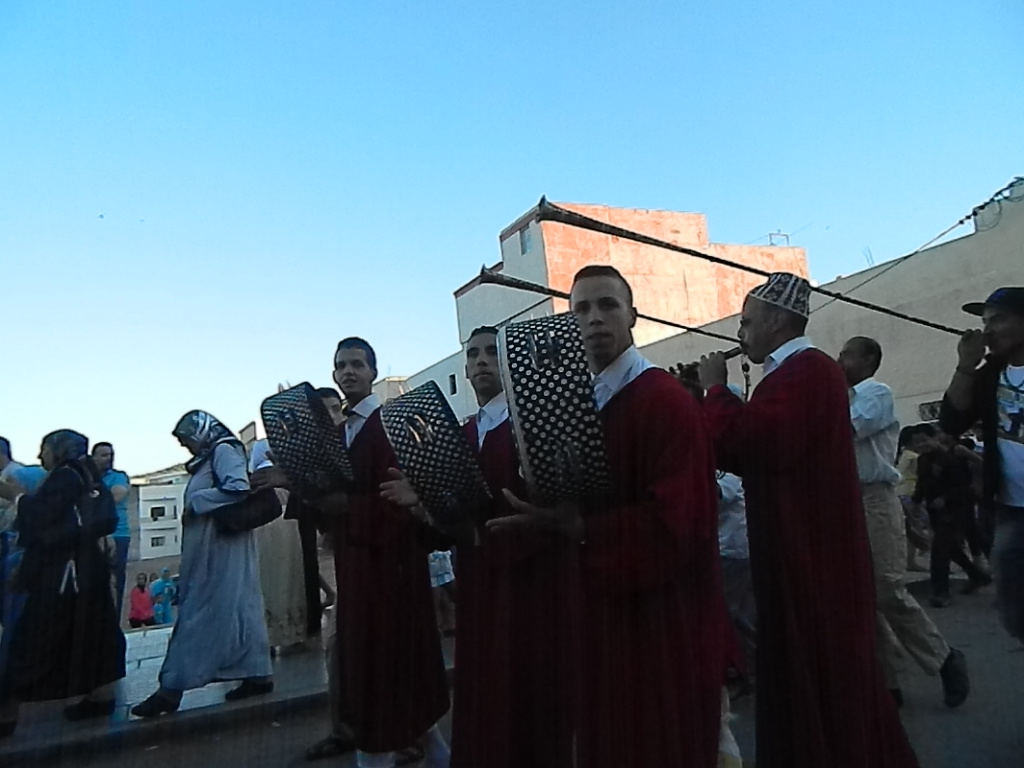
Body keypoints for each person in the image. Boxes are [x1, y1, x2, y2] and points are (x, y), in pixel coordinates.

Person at [487, 267, 725, 768]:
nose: (593, 319)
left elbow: (680, 523)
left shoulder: (665, 401)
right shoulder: (573, 405)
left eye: (607, 305)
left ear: (633, 315)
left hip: (658, 617)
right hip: (594, 607)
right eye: (581, 309)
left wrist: (580, 528)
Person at [698, 272, 919, 768]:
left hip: (812, 550)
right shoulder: (792, 375)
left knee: (820, 670)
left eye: (748, 322)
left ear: (777, 321)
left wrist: (716, 391)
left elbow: (751, 443)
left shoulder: (809, 372)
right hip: (797, 544)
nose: (741, 333)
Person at [384, 325, 578, 768]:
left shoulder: (533, 422)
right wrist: (427, 506)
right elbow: (452, 517)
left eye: (492, 352)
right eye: (473, 354)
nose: (482, 361)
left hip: (532, 586)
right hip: (480, 587)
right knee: (485, 699)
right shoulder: (462, 433)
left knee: (531, 702)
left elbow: (553, 507)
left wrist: (480, 532)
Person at [256, 338, 450, 768]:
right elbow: (328, 498)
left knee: (386, 667)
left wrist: (345, 506)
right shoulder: (341, 432)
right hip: (358, 567)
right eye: (341, 365)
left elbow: (401, 501)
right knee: (374, 667)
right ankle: (434, 752)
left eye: (358, 364)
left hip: (394, 570)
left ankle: (382, 754)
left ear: (373, 373)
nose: (349, 372)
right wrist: (296, 482)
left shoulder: (390, 424)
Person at [839, 336, 969, 708]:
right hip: (846, 499)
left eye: (847, 355)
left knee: (886, 588)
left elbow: (848, 427)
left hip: (874, 498)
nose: (839, 360)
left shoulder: (875, 393)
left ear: (868, 360)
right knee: (860, 596)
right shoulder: (842, 396)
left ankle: (943, 657)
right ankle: (888, 680)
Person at [131, 411, 273, 718]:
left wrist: (196, 504)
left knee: (198, 611)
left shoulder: (224, 450)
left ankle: (171, 688)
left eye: (187, 440)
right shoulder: (212, 456)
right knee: (240, 607)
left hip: (219, 547)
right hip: (218, 546)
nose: (186, 447)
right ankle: (257, 673)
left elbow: (237, 487)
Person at [0, 430, 126, 737]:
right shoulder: (88, 474)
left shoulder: (65, 476)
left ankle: (6, 713)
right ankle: (100, 698)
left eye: (44, 449)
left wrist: (16, 496)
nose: (40, 455)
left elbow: (44, 516)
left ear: (59, 450)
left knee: (32, 639)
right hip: (88, 569)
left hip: (62, 574)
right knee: (93, 635)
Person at [940, 286, 1024, 642]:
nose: (988, 330)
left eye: (998, 320)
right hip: (1011, 506)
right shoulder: (990, 373)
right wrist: (965, 366)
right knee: (1012, 603)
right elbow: (951, 421)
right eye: (985, 322)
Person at [912, 430, 991, 607]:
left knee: (939, 549)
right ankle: (976, 574)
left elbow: (963, 486)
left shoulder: (949, 458)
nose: (921, 446)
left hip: (954, 509)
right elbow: (922, 483)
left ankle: (941, 591)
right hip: (934, 509)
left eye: (924, 441)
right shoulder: (922, 460)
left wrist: (945, 498)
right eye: (917, 443)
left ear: (934, 438)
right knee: (951, 548)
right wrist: (916, 502)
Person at [250, 439, 308, 651]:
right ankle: (293, 634)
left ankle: (270, 636)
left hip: (263, 530)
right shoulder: (284, 473)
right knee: (290, 578)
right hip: (289, 528)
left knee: (267, 581)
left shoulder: (257, 476)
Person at [92, 443, 132, 619]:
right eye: (103, 455)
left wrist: (91, 499)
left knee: (115, 580)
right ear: (93, 457)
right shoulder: (88, 478)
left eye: (111, 454)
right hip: (94, 535)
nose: (109, 458)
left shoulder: (118, 476)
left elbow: (116, 496)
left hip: (118, 534)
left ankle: (113, 621)